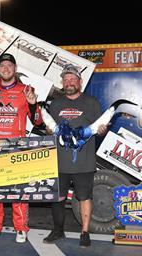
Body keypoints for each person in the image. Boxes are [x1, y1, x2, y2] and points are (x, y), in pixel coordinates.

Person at [0, 53, 42, 243]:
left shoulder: (26, 90)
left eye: (9, 65)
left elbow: (37, 121)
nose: (6, 69)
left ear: (15, 69)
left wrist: (33, 105)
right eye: (2, 65)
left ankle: (21, 228)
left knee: (19, 191)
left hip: (17, 148)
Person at [42, 64, 107, 247]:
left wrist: (101, 130)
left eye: (72, 79)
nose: (69, 82)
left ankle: (85, 232)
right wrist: (48, 130)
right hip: (59, 161)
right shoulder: (56, 104)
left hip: (84, 162)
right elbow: (51, 130)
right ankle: (57, 230)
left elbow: (100, 130)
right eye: (66, 79)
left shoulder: (92, 102)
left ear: (80, 82)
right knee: (58, 197)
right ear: (63, 83)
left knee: (85, 196)